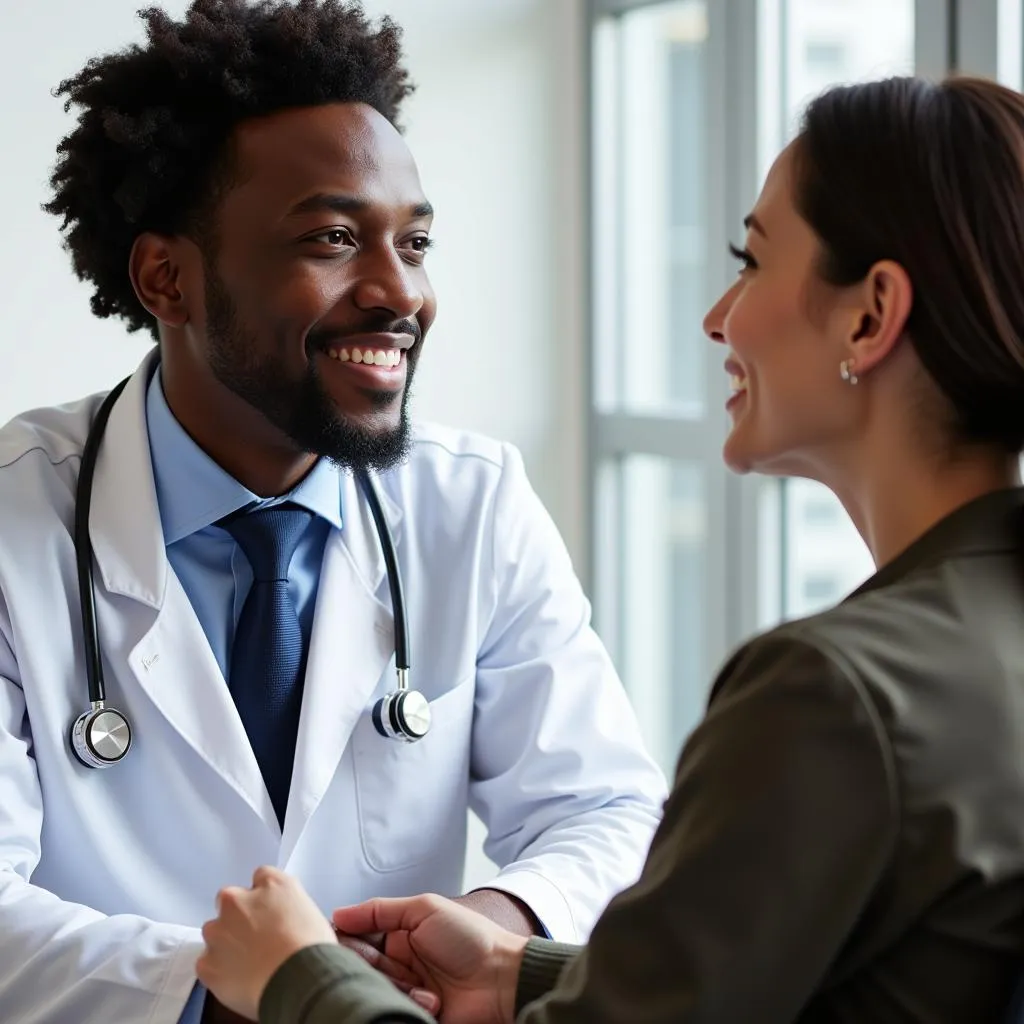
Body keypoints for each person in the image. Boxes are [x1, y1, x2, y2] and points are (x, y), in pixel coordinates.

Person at [196, 72, 1024, 1023]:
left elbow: (605, 813)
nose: (720, 315)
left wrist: (301, 975)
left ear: (870, 316)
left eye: (750, 262)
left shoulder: (834, 696)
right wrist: (526, 974)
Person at [0, 2, 668, 1021]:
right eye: (332, 238)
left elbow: (607, 808)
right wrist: (252, 986)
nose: (400, 294)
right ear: (166, 278)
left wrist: (496, 919)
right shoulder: (15, 518)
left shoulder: (470, 503)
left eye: (415, 241)